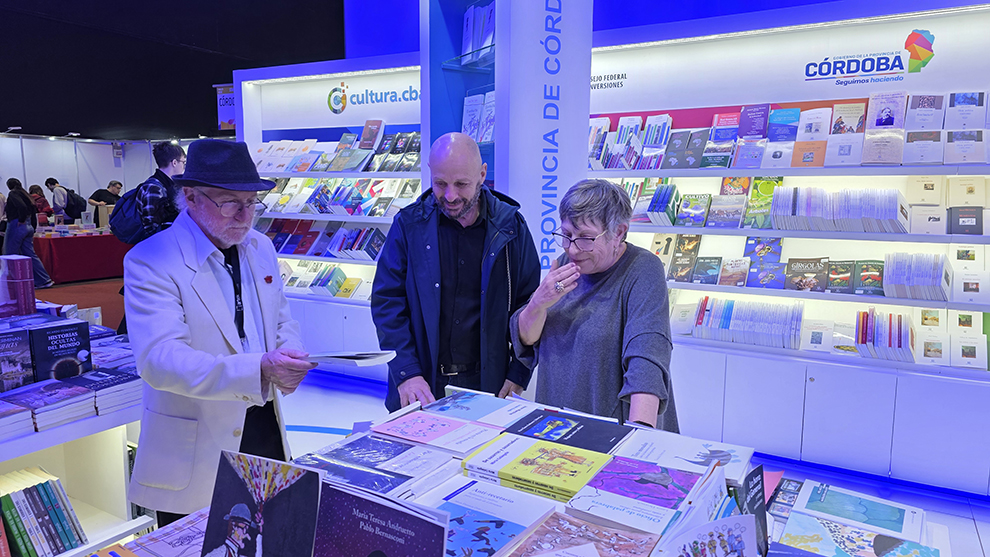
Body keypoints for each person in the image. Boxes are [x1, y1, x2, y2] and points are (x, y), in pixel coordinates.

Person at [125, 139, 315, 526]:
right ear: (191, 197)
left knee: (269, 540)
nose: (245, 216)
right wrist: (260, 369)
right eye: (231, 203)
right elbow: (160, 361)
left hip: (264, 434)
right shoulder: (150, 260)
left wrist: (290, 355)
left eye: (252, 203)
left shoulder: (260, 247)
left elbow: (281, 321)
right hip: (195, 452)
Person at [371, 132, 540, 411]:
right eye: (440, 184)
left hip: (489, 386)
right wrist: (407, 372)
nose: (450, 196)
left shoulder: (511, 228)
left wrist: (519, 372)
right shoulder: (408, 226)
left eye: (462, 184)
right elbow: (387, 303)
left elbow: (530, 306)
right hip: (420, 385)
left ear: (482, 174)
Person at [511, 179, 677, 430]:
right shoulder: (564, 262)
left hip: (614, 430)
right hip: (558, 426)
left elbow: (647, 357)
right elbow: (527, 338)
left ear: (618, 232)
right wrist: (538, 303)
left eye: (586, 238)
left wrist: (641, 433)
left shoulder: (642, 270)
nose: (573, 248)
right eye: (566, 235)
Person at [3, 178, 54, 288]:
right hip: (29, 226)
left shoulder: (13, 194)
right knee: (30, 254)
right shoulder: (26, 195)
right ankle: (44, 280)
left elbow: (21, 207)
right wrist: (33, 227)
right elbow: (33, 210)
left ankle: (12, 284)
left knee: (9, 254)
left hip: (17, 225)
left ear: (9, 186)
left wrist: (20, 220)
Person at [137, 141, 186, 237]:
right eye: (183, 162)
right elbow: (152, 229)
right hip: (158, 246)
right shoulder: (154, 188)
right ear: (175, 163)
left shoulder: (164, 185)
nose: (184, 167)